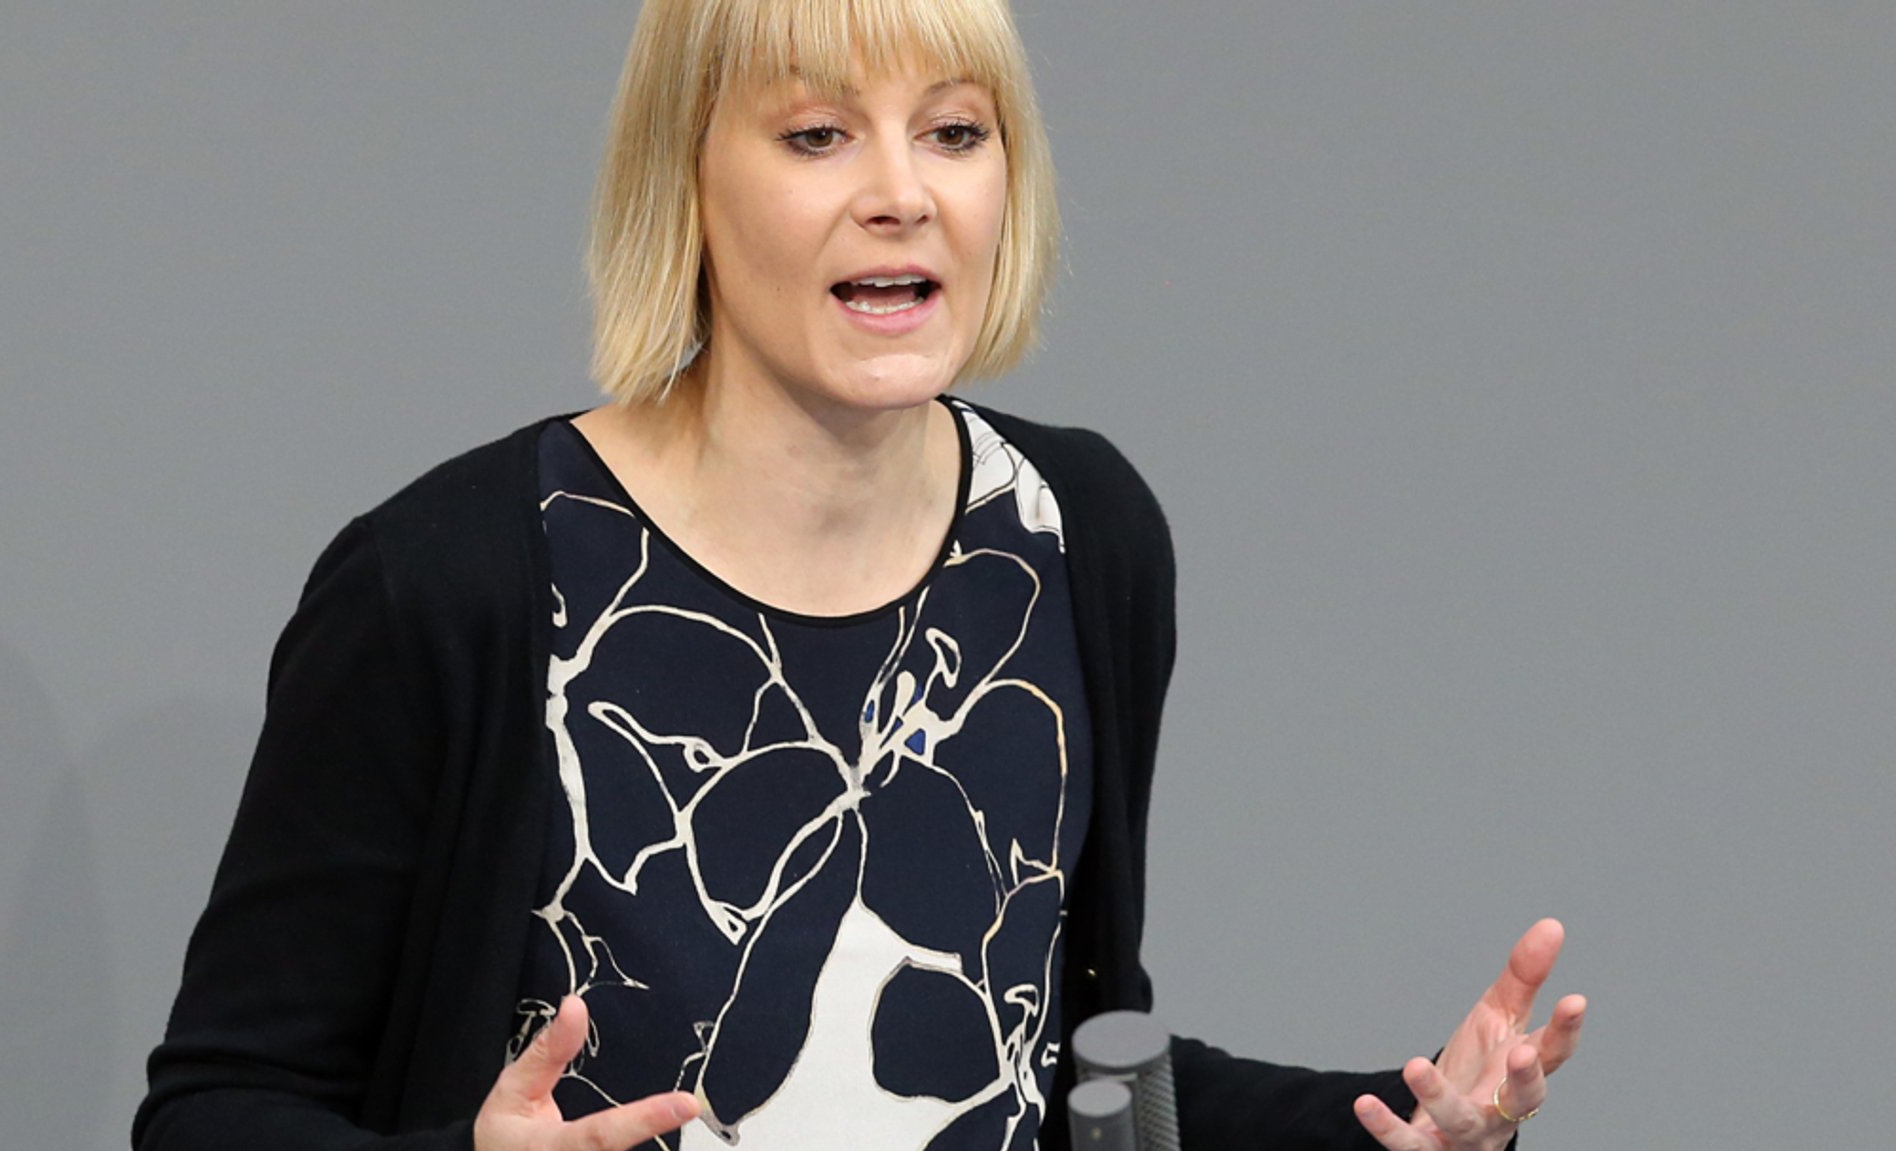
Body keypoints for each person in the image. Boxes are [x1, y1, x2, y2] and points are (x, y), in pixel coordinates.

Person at [135, 1, 1586, 1149]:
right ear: (686, 173)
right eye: (820, 134)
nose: (903, 194)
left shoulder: (1076, 537)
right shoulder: (450, 586)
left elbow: (1062, 1070)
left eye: (955, 131)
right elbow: (210, 1113)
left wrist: (1400, 1125)